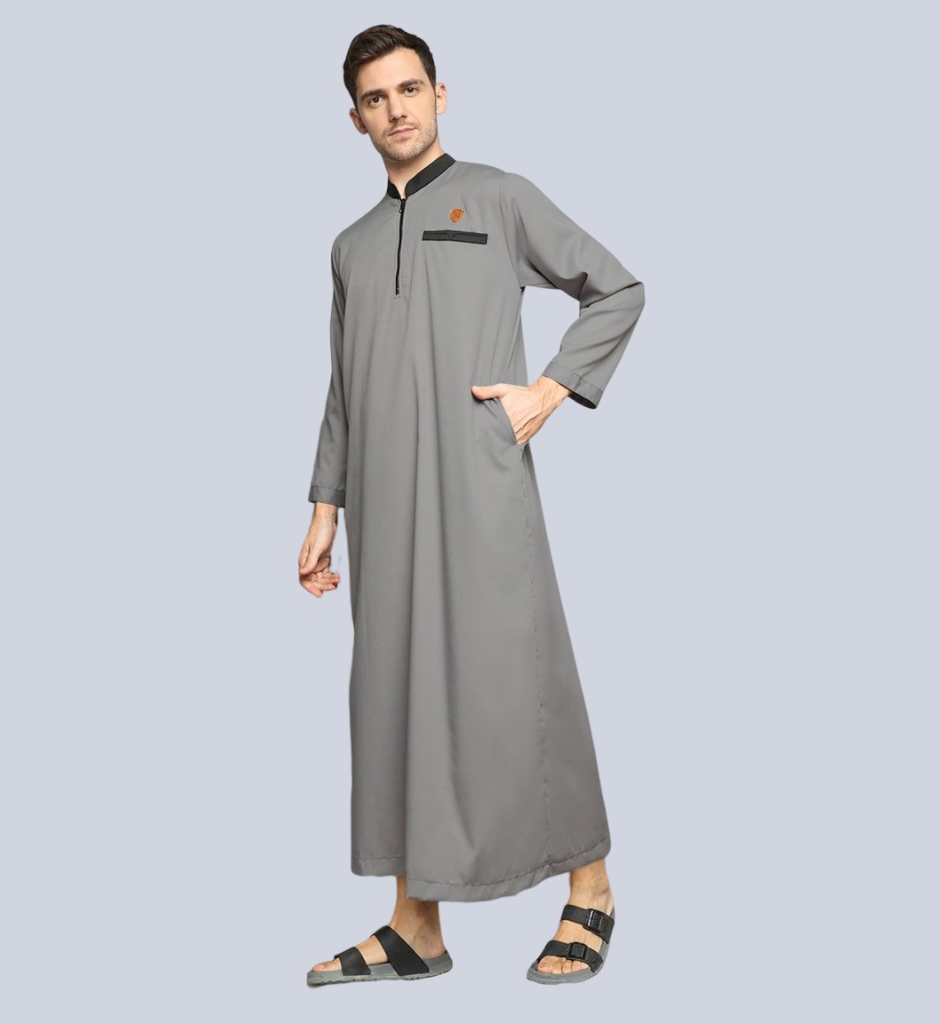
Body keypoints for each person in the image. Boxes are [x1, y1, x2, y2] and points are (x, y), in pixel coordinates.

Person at [298, 25, 645, 986]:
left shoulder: (497, 195)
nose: (396, 109)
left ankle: (591, 888)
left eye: (409, 89)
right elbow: (343, 386)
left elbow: (616, 289)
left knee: (519, 678)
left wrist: (550, 390)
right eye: (375, 98)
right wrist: (324, 506)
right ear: (356, 118)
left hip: (479, 482)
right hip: (381, 505)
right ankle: (416, 925)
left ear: (441, 95)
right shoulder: (351, 246)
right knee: (394, 694)